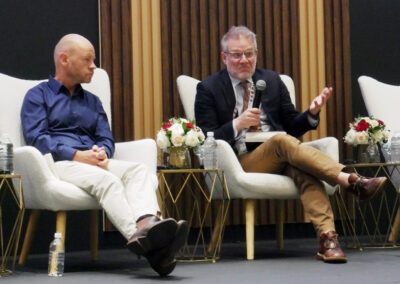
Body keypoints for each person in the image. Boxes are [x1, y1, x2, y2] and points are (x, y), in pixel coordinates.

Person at [195, 26, 387, 263]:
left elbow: (292, 125)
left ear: (256, 54)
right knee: (281, 141)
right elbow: (206, 138)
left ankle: (329, 240)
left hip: (282, 153)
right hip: (240, 160)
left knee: (302, 169)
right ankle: (349, 180)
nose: (244, 60)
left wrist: (311, 113)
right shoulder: (208, 89)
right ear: (224, 57)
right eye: (236, 54)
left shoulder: (272, 81)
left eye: (249, 53)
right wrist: (237, 124)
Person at [20, 34, 186, 276]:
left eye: (93, 60)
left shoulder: (93, 101)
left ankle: (147, 226)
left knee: (138, 170)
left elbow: (106, 137)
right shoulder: (37, 96)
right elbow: (37, 139)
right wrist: (77, 155)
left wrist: (102, 151)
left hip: (94, 162)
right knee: (108, 181)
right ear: (64, 60)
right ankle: (150, 244)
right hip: (59, 165)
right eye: (87, 60)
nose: (93, 66)